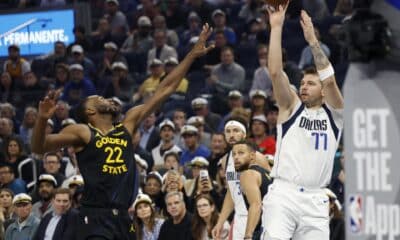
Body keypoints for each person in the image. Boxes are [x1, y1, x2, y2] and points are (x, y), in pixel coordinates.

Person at [31, 24, 214, 240]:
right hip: (95, 217)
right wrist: (43, 118)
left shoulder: (127, 124)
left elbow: (166, 88)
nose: (107, 99)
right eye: (100, 99)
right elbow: (39, 147)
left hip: (124, 218)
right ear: (90, 111)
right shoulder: (83, 131)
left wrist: (191, 55)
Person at [261, 5, 343, 240]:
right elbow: (276, 73)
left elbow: (330, 80)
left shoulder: (336, 115)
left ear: (323, 92)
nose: (304, 86)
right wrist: (276, 27)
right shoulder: (291, 107)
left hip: (316, 199)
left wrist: (313, 42)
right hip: (284, 194)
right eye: (303, 82)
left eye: (311, 83)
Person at [212, 117, 270, 239]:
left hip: (259, 217)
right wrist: (220, 222)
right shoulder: (225, 160)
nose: (231, 135)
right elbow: (231, 193)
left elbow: (272, 186)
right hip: (239, 218)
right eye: (228, 131)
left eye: (235, 130)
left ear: (244, 134)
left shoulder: (257, 157)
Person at [231, 140, 272, 239]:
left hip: (263, 231)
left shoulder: (248, 174)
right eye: (234, 154)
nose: (236, 157)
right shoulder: (267, 173)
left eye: (241, 153)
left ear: (252, 156)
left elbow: (256, 205)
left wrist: (248, 236)